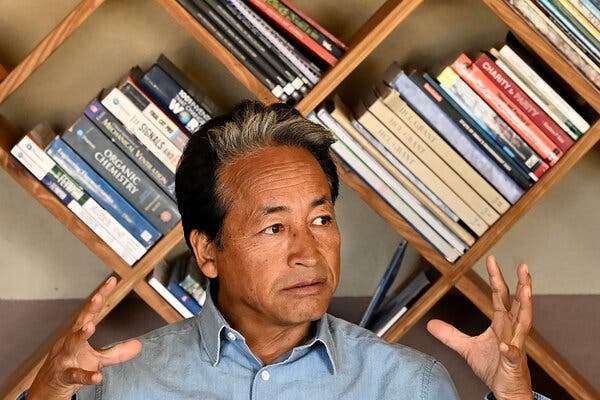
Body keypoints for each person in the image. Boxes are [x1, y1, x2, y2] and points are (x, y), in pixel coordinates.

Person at [25, 101, 539, 400]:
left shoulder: (409, 385)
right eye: (274, 228)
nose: (308, 253)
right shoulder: (118, 385)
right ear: (207, 251)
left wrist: (512, 395)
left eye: (321, 220)